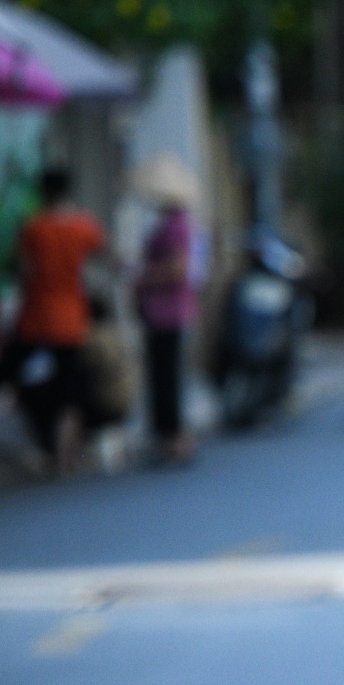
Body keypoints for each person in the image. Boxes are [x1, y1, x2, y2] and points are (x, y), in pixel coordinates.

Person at [0, 166, 106, 475]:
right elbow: (105, 257)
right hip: (70, 320)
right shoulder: (85, 227)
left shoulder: (34, 228)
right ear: (69, 191)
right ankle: (64, 461)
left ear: (43, 193)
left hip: (35, 317)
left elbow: (19, 269)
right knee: (70, 392)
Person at [131, 155, 200, 465]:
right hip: (165, 310)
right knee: (164, 376)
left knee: (166, 377)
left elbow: (176, 270)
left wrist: (141, 276)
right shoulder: (176, 225)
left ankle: (174, 439)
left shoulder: (174, 228)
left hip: (166, 311)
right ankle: (169, 438)